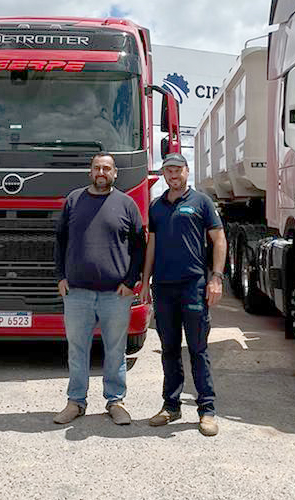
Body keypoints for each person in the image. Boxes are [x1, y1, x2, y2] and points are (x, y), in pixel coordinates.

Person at [52, 152, 146, 426]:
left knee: (115, 351)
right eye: (97, 168)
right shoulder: (74, 200)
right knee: (77, 350)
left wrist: (131, 282)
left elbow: (139, 246)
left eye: (106, 168)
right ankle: (75, 402)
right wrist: (60, 276)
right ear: (90, 172)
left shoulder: (126, 204)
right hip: (77, 293)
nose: (101, 172)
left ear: (115, 173)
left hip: (115, 295)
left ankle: (115, 402)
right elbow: (60, 240)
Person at [140, 152, 227, 436]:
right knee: (169, 349)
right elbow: (152, 245)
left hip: (194, 286)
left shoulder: (201, 202)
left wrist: (216, 277)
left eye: (178, 170)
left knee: (198, 350)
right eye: (169, 171)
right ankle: (171, 406)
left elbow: (219, 239)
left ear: (187, 171)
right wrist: (145, 281)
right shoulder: (156, 206)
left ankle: (207, 410)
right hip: (164, 288)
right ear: (164, 174)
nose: (173, 175)